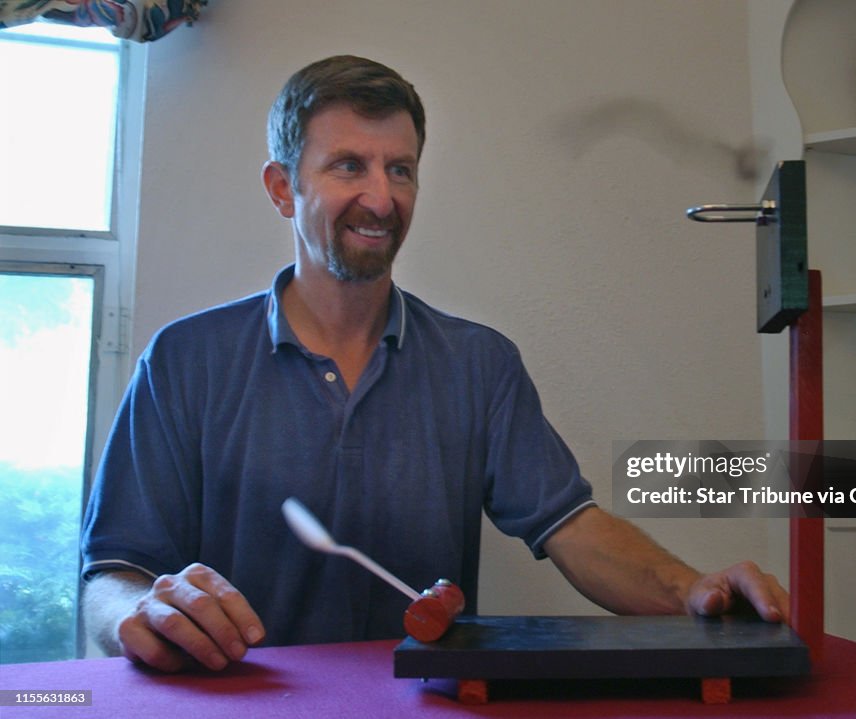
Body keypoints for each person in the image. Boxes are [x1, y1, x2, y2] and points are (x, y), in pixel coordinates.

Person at [81, 55, 789, 674]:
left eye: (401, 169)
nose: (382, 198)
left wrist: (691, 588)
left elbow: (571, 525)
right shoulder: (184, 359)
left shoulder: (478, 364)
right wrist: (141, 612)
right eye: (348, 166)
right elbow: (112, 573)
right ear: (281, 187)